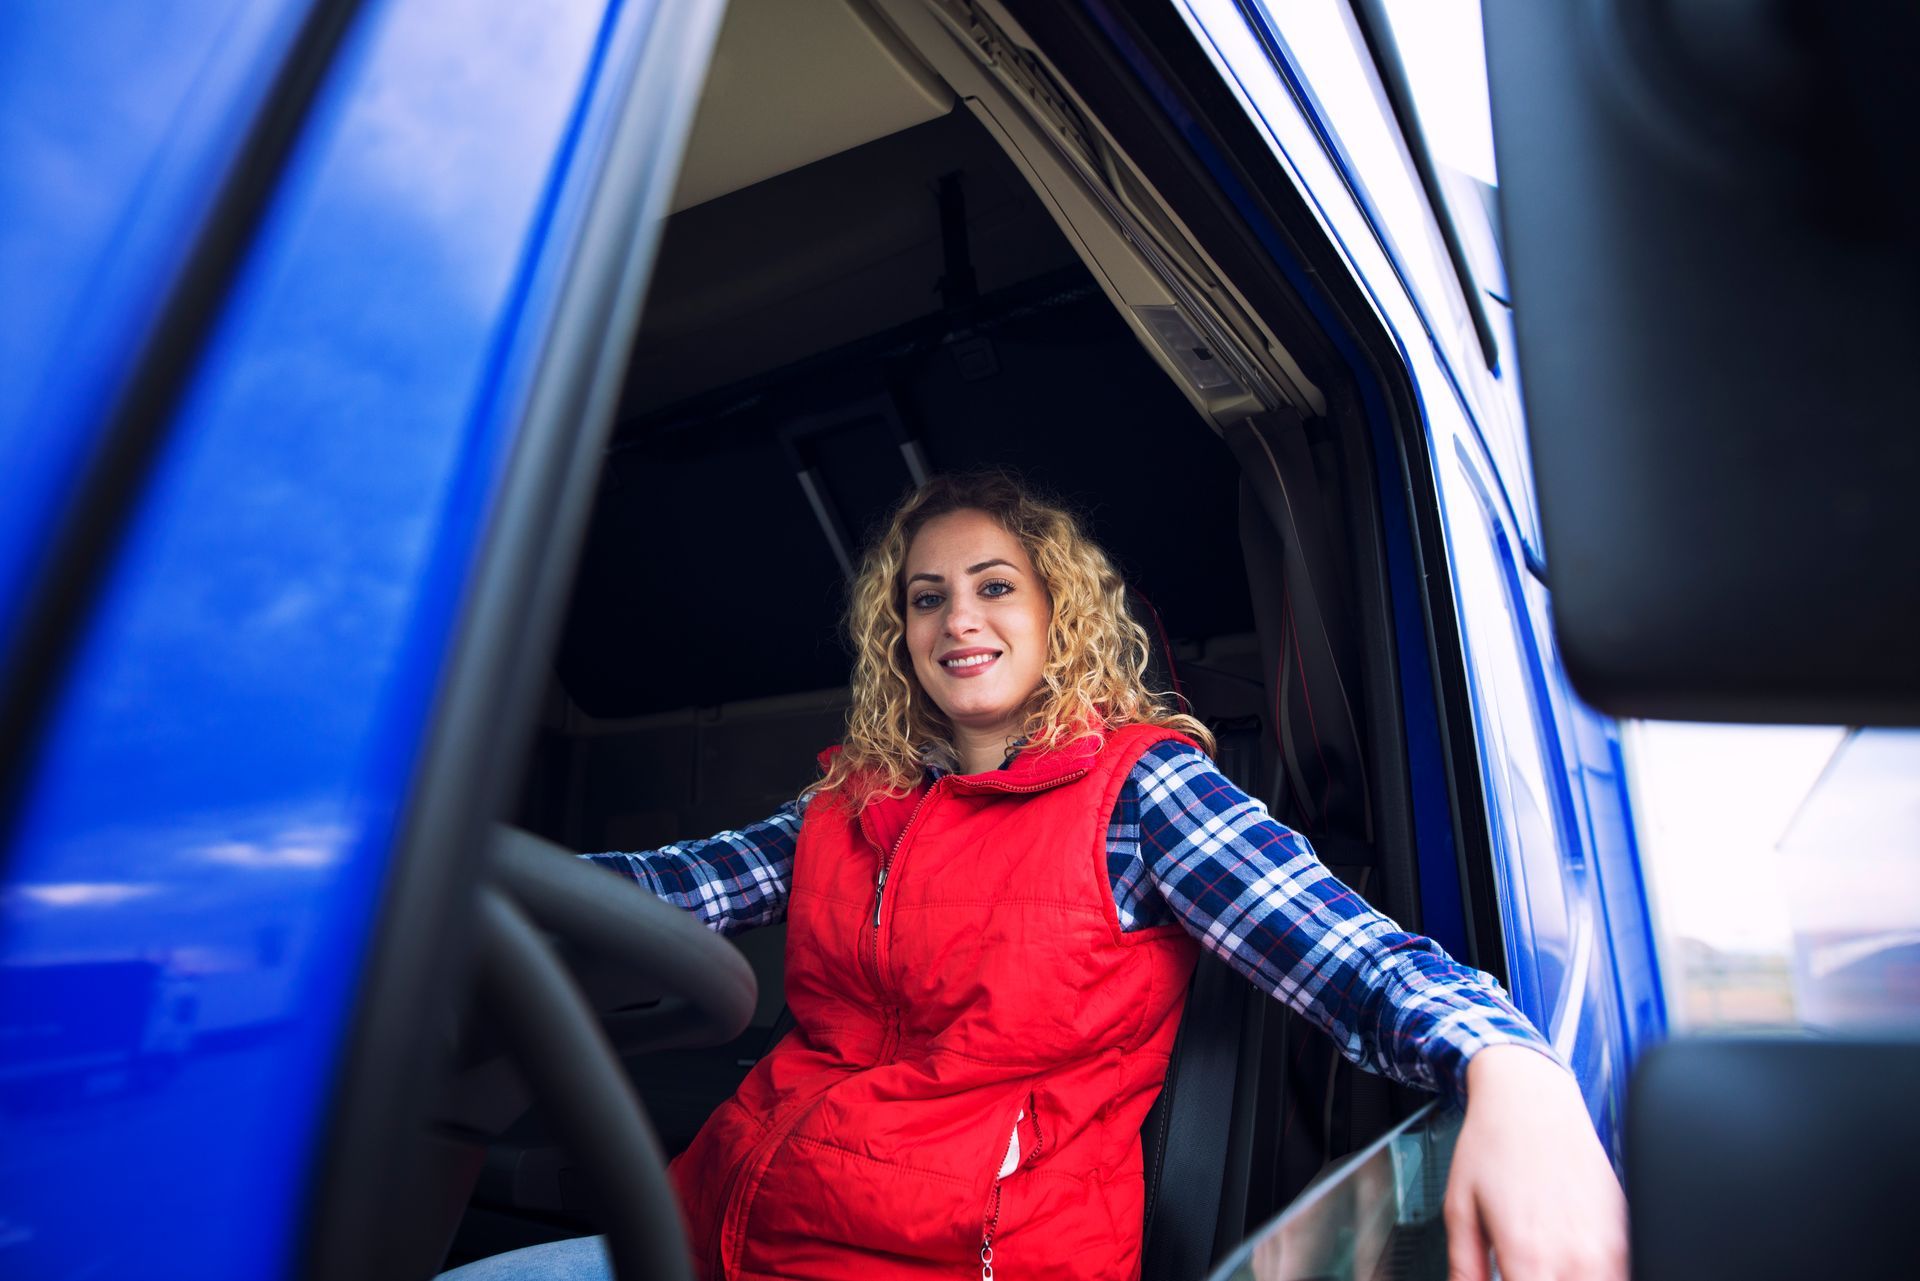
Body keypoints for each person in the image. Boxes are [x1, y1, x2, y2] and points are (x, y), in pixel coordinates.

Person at [446, 472, 1625, 1281]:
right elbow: (671, 886)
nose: (959, 618)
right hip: (726, 1231)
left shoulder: (1142, 795)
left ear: (1057, 609)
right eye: (927, 597)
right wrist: (424, 886)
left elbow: (1352, 956)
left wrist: (1508, 1065)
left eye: (995, 584)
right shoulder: (853, 799)